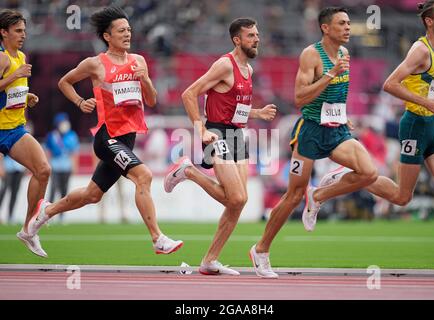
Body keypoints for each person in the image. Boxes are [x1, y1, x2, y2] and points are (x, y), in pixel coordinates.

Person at [27, 6, 183, 256]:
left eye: (129, 30)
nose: (127, 34)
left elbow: (151, 101)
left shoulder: (138, 61)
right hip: (107, 136)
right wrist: (80, 101)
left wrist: (145, 80)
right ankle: (157, 238)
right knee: (143, 176)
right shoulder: (95, 64)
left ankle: (46, 211)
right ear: (107, 36)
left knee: (92, 195)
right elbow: (64, 82)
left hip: (128, 137)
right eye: (121, 30)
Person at [249, 7, 379, 278]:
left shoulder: (345, 54)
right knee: (293, 195)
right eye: (341, 23)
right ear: (325, 28)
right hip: (309, 132)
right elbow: (299, 98)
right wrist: (330, 74)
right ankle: (261, 250)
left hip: (337, 130)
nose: (347, 28)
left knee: (369, 172)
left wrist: (344, 117)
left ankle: (318, 195)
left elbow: (338, 94)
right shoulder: (311, 55)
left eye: (348, 23)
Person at [321, 0, 434, 272]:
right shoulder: (420, 49)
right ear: (430, 21)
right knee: (403, 197)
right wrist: (423, 102)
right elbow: (389, 84)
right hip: (415, 125)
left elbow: (429, 89)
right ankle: (353, 176)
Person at [164, 17, 277, 275]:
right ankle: (188, 171)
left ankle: (209, 260)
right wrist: (200, 129)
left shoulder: (249, 70)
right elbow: (189, 94)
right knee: (236, 197)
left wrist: (257, 113)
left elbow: (235, 109)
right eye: (251, 36)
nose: (257, 39)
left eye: (257, 35)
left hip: (237, 134)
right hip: (216, 133)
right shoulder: (224, 64)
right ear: (237, 40)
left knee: (239, 201)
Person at [0, 9, 51, 257]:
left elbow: (10, 93)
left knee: (43, 170)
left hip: (14, 129)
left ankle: (29, 229)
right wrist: (14, 76)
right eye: (18, 31)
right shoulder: (2, 59)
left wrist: (25, 96)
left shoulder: (20, 55)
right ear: (3, 32)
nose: (23, 35)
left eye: (24, 31)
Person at [45, 112, 80, 223]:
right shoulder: (51, 136)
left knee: (64, 192)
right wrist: (47, 165)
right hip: (55, 166)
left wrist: (74, 166)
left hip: (66, 167)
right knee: (53, 190)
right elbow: (48, 152)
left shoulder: (72, 135)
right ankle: (47, 215)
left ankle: (62, 216)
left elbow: (74, 152)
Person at [0, 155, 25, 223]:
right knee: (2, 193)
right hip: (7, 168)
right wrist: (1, 167)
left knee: (14, 194)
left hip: (18, 169)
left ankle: (10, 216)